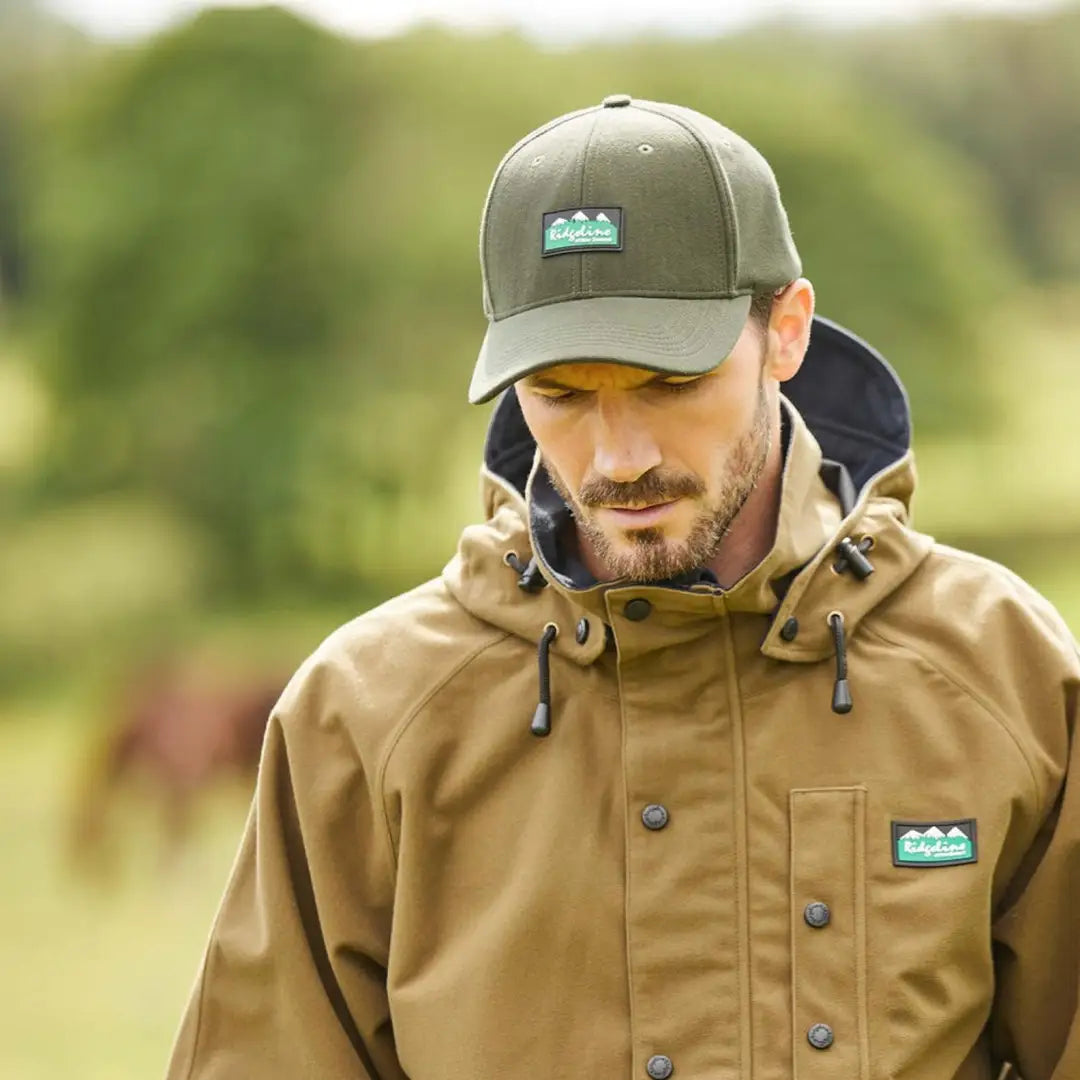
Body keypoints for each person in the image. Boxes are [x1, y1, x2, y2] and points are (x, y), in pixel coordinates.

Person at [165, 96, 1080, 1080]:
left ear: (785, 332)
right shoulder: (365, 716)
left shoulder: (1000, 671)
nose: (619, 456)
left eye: (669, 381)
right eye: (559, 393)